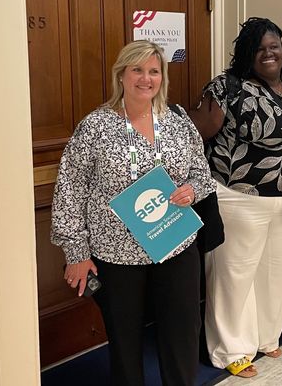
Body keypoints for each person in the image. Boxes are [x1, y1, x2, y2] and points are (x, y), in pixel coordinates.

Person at [51, 40, 215, 386]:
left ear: (162, 77)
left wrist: (192, 190)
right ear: (121, 75)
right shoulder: (95, 126)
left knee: (182, 335)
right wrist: (76, 253)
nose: (146, 78)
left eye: (154, 71)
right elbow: (70, 188)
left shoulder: (178, 123)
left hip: (174, 244)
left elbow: (202, 174)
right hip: (116, 254)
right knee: (125, 344)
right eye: (137, 70)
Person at [202, 17, 282, 378]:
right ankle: (231, 349)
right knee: (235, 274)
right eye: (259, 48)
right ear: (246, 54)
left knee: (278, 270)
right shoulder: (228, 87)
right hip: (239, 197)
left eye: (274, 46)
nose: (269, 53)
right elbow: (197, 135)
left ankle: (267, 336)